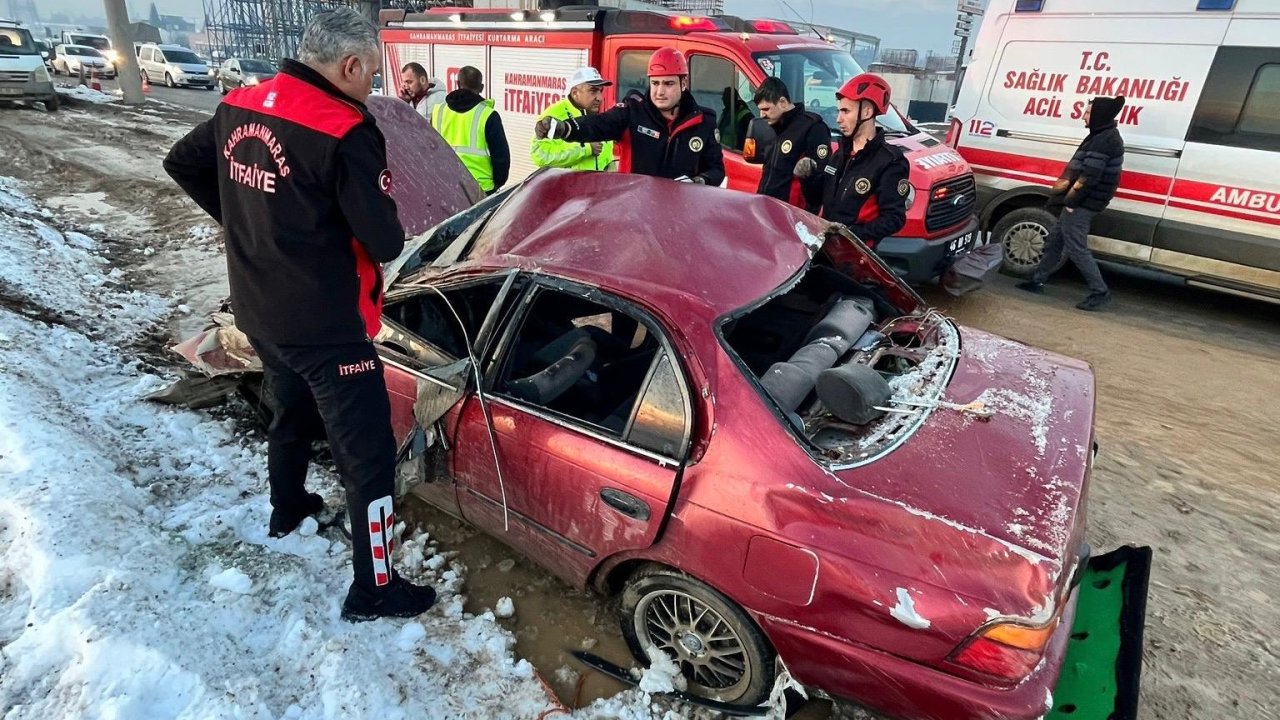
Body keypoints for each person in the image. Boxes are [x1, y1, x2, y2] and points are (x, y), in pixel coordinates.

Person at [162, 8, 436, 623]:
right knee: (367, 458)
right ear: (349, 65)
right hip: (329, 327)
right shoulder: (346, 129)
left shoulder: (242, 102)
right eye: (371, 74)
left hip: (260, 310)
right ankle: (374, 589)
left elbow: (182, 162)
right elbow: (386, 241)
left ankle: (286, 507)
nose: (373, 86)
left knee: (290, 413)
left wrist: (248, 226)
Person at [534, 47, 724, 186]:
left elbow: (716, 170)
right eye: (655, 83)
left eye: (668, 84)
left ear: (683, 84)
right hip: (636, 213)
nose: (659, 91)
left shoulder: (703, 121)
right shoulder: (633, 111)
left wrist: (699, 181)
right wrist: (564, 128)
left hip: (680, 215)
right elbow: (598, 124)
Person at [1017, 96, 1126, 311]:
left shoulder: (1105, 139)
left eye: (1087, 113)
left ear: (1098, 115)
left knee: (1076, 248)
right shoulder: (1100, 135)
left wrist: (1072, 201)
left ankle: (1100, 292)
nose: (1083, 116)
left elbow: (1089, 176)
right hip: (1082, 201)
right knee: (1056, 240)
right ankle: (1037, 280)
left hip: (1083, 203)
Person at [804, 73, 909, 248]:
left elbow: (894, 219)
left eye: (846, 111)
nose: (838, 119)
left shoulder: (890, 161)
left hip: (856, 257)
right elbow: (817, 200)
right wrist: (808, 178)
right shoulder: (840, 154)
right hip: (827, 248)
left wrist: (850, 233)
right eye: (839, 111)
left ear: (867, 112)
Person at [747, 77, 832, 210]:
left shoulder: (812, 128)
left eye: (766, 109)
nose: (762, 115)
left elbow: (820, 183)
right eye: (760, 110)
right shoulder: (772, 126)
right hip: (767, 207)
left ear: (783, 102)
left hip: (792, 213)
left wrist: (808, 174)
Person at [432, 65, 510, 194]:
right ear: (481, 87)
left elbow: (429, 149)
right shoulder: (488, 115)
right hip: (480, 189)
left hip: (446, 186)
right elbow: (501, 157)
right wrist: (497, 184)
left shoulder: (438, 112)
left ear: (457, 83)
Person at [531, 66, 615, 171]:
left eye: (600, 91)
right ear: (575, 93)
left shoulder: (598, 116)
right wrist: (586, 149)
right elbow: (540, 155)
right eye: (593, 91)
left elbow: (608, 159)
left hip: (598, 186)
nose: (599, 98)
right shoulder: (555, 115)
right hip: (569, 186)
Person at [718, 86, 752, 151]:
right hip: (722, 151)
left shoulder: (745, 115)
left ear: (731, 98)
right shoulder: (726, 112)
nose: (722, 99)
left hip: (735, 153)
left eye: (724, 96)